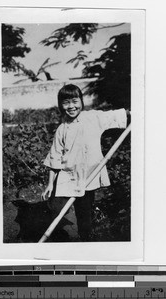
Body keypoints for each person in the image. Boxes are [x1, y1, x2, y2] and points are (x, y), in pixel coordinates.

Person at [41, 84, 130, 241]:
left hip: (89, 176)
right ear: (61, 105)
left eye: (75, 101)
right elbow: (54, 157)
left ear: (81, 101)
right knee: (55, 208)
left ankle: (86, 240)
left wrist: (132, 113)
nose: (71, 106)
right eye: (66, 102)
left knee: (84, 213)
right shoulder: (62, 129)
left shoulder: (93, 118)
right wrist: (50, 184)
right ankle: (58, 237)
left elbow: (116, 115)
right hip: (68, 177)